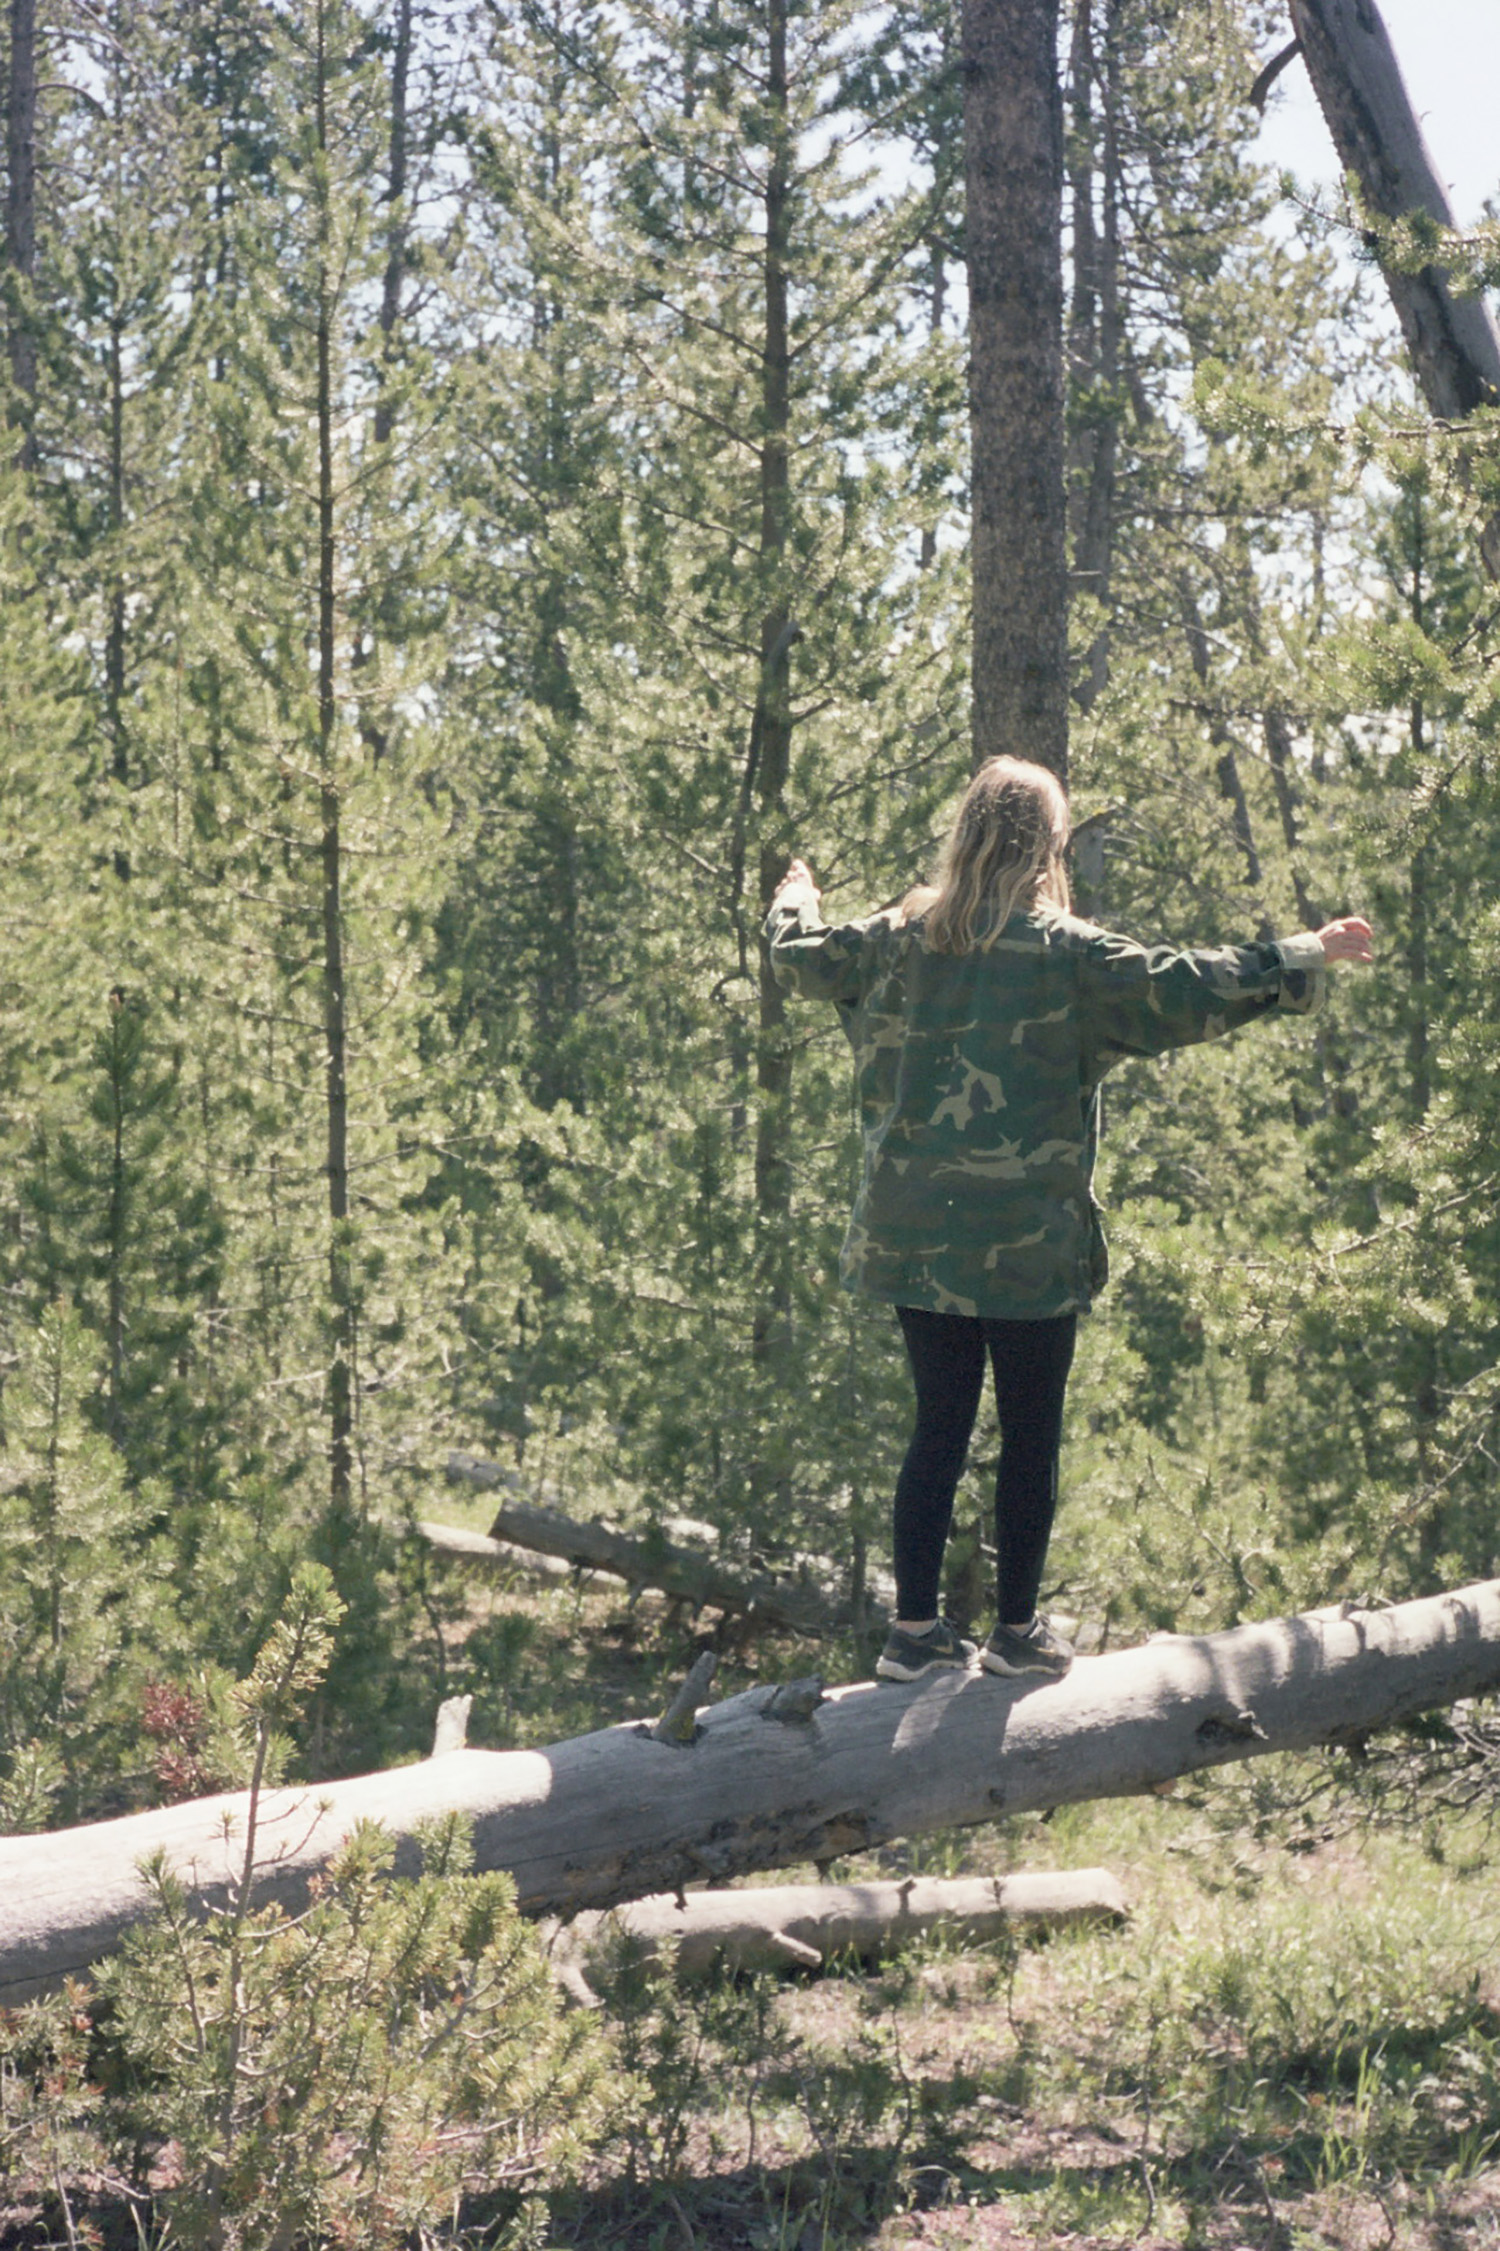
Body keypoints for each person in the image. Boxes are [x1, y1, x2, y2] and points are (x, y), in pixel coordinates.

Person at [764, 755, 1373, 1685]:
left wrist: (796, 897)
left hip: (915, 1237)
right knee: (1030, 1431)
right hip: (1027, 1247)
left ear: (966, 834)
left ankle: (913, 1632)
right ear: (1049, 845)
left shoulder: (897, 936)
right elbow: (1191, 983)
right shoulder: (1069, 956)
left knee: (939, 1424)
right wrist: (1301, 953)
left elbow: (797, 957)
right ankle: (1015, 1634)